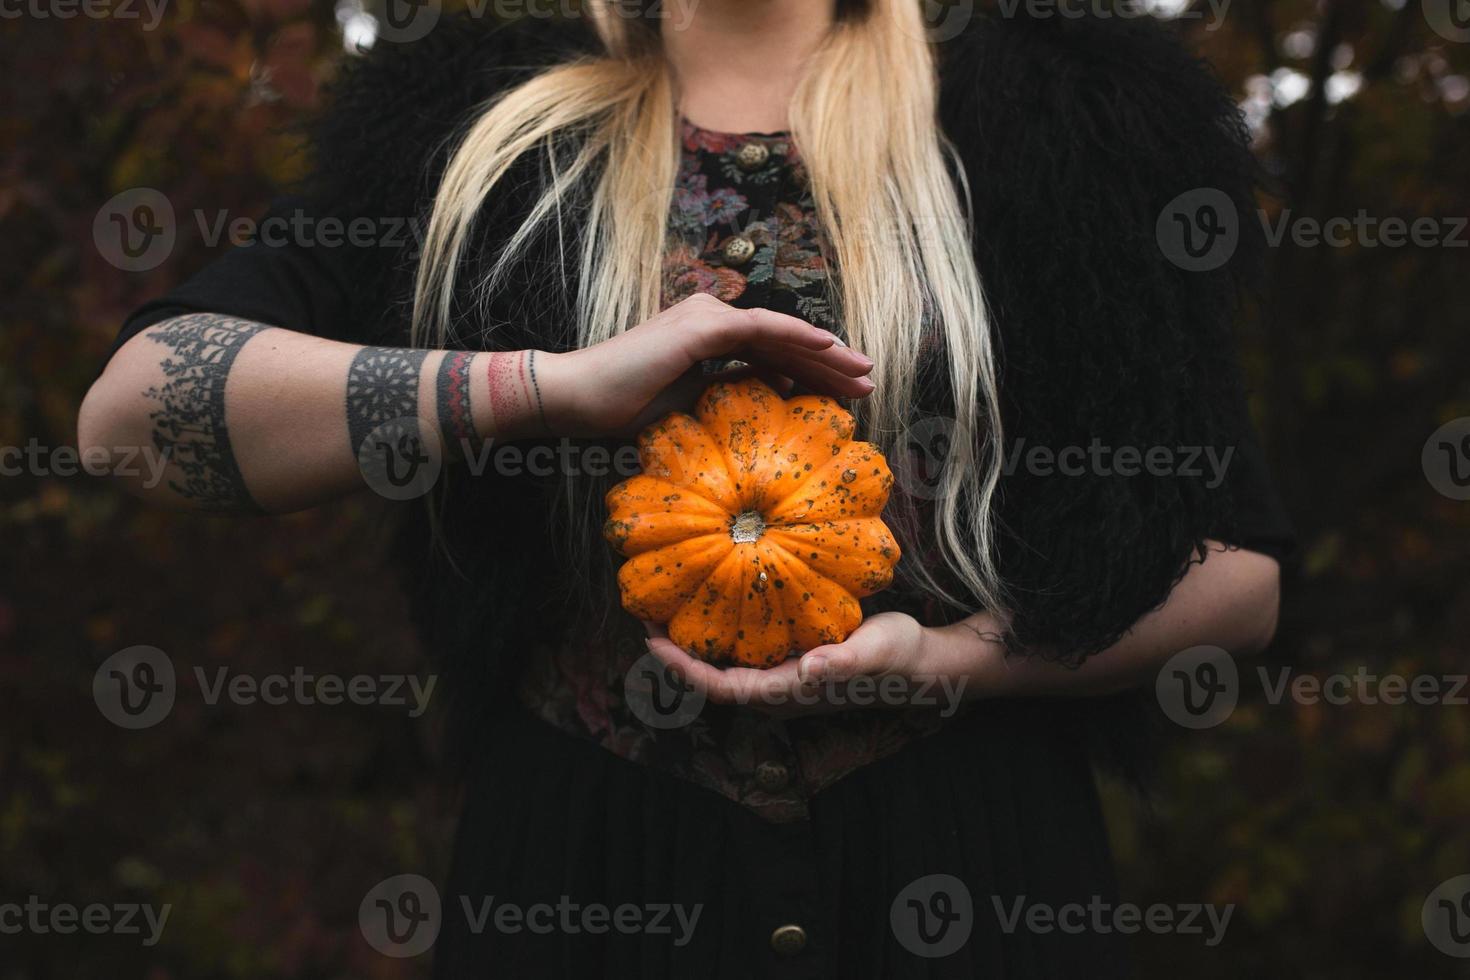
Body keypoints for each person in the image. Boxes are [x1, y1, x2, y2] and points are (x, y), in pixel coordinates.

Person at [79, 2, 1294, 975]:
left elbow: (1237, 577)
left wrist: (959, 659)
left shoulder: (1070, 113)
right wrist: (547, 386)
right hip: (581, 876)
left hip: (969, 868)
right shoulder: (471, 129)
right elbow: (132, 416)